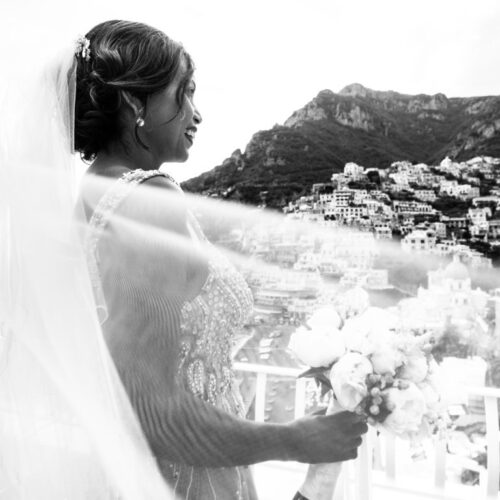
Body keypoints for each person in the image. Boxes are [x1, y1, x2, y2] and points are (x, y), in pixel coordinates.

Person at [1, 19, 367, 500]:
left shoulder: (94, 196)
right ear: (135, 102)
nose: (196, 113)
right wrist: (295, 439)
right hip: (187, 480)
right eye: (184, 92)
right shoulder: (149, 200)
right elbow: (155, 411)